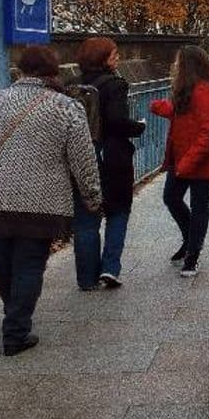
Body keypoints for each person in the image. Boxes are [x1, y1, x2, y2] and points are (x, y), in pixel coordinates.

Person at [0, 46, 102, 356]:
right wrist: (92, 196)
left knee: (5, 261)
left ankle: (14, 315)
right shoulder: (66, 108)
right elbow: (83, 159)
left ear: (20, 71)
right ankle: (16, 331)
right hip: (43, 202)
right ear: (54, 72)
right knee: (30, 265)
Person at [150, 45, 209, 277]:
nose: (175, 66)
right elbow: (185, 112)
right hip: (185, 158)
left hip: (200, 160)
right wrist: (161, 107)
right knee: (171, 197)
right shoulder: (191, 89)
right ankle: (190, 240)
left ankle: (193, 255)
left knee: (198, 205)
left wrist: (189, 161)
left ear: (187, 65)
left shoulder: (205, 91)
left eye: (179, 62)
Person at [71, 37, 146, 289]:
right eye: (114, 55)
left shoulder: (71, 85)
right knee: (118, 211)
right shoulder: (115, 85)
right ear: (103, 59)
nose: (118, 59)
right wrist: (138, 127)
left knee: (85, 218)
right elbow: (117, 121)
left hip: (80, 157)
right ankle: (110, 267)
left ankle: (86, 278)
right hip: (112, 157)